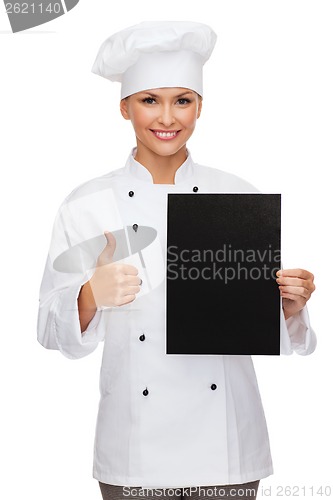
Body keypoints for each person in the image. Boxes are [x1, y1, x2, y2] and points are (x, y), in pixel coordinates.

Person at [37, 21, 316, 500]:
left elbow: (252, 322)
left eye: (182, 100)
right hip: (133, 453)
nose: (167, 117)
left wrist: (288, 306)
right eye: (149, 100)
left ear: (200, 107)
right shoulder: (87, 205)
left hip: (227, 447)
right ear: (124, 107)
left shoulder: (237, 196)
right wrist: (89, 296)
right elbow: (47, 327)